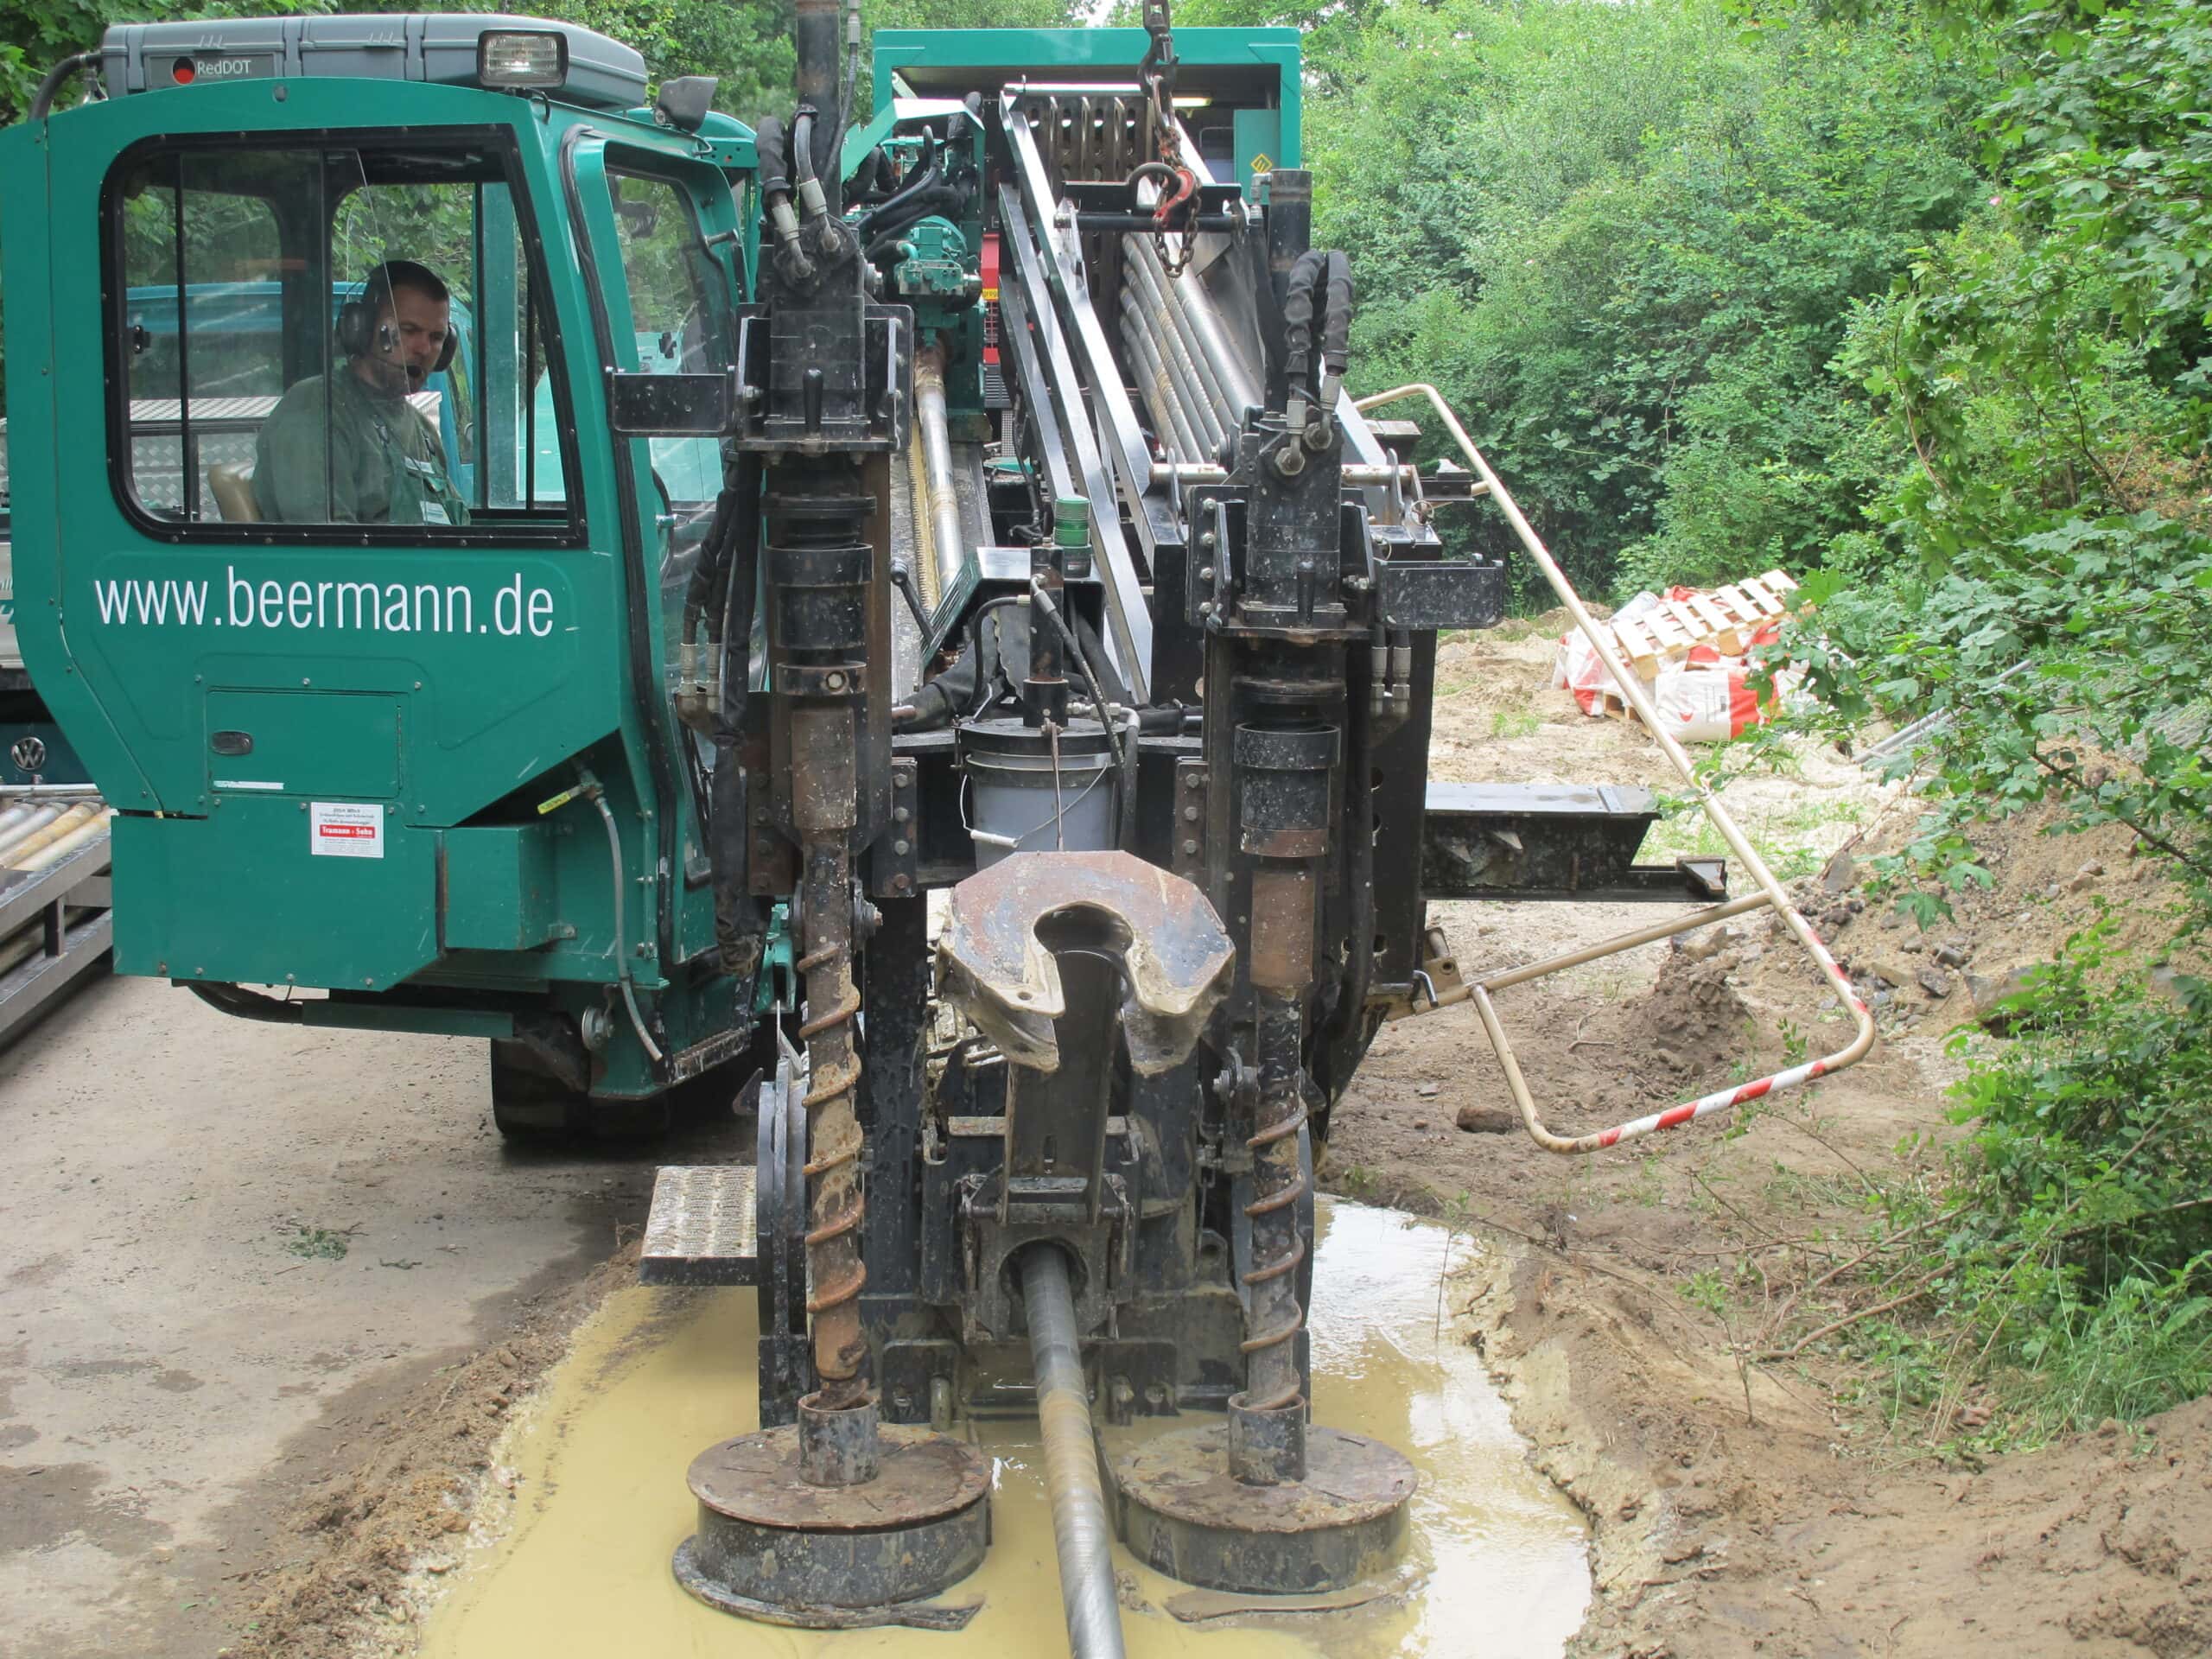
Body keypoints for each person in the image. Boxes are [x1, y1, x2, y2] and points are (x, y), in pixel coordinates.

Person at [252, 260, 471, 526]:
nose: (424, 349)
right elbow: (326, 541)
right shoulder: (317, 411)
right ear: (362, 330)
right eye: (409, 330)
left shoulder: (422, 431)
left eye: (436, 338)